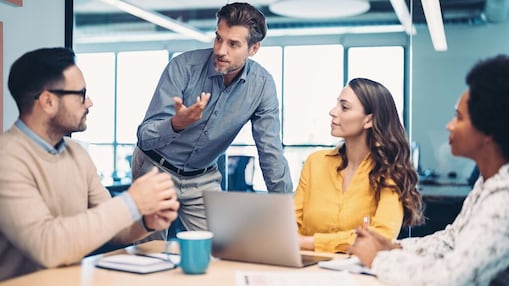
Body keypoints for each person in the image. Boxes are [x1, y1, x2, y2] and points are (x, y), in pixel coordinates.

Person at [0, 47, 180, 281]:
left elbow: (113, 228)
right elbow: (48, 247)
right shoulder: (7, 158)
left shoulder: (77, 153)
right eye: (81, 94)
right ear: (48, 101)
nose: (90, 103)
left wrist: (144, 221)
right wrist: (131, 202)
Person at [131, 2, 293, 234]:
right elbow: (145, 137)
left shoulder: (262, 86)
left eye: (233, 44)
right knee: (150, 254)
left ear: (254, 48)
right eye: (218, 38)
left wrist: (286, 213)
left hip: (202, 178)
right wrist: (176, 124)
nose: (220, 50)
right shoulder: (183, 67)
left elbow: (270, 152)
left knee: (218, 250)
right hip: (156, 168)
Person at [349, 55, 509, 285]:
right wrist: (394, 247)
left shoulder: (504, 199)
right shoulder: (488, 183)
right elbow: (451, 240)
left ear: (488, 131)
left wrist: (378, 259)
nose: (449, 125)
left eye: (459, 117)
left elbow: (450, 279)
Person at [294, 78, 424, 253]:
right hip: (306, 270)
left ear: (369, 120)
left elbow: (381, 236)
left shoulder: (391, 172)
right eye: (336, 104)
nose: (333, 112)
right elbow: (291, 225)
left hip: (358, 273)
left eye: (344, 107)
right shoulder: (315, 162)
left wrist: (309, 243)